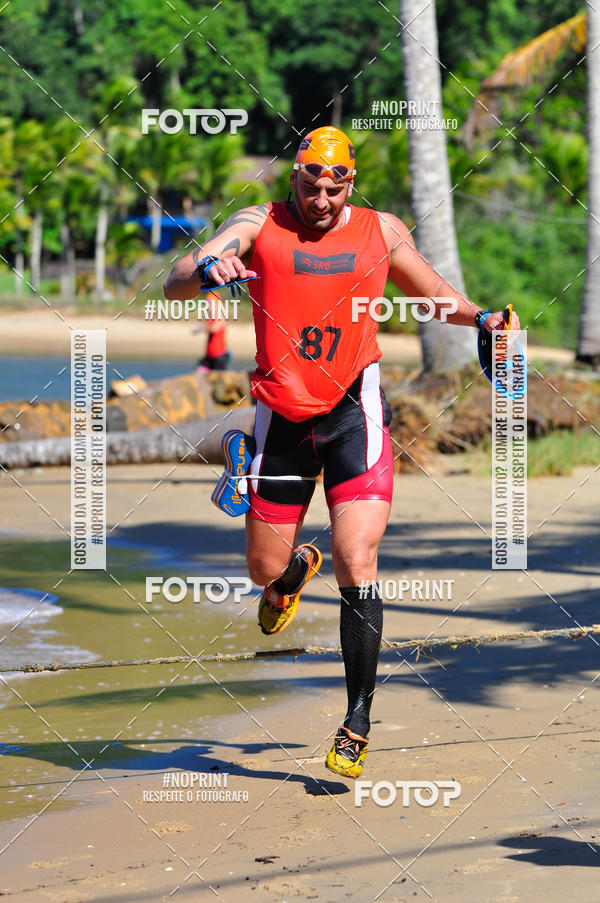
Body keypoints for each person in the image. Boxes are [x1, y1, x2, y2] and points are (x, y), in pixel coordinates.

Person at [164, 126, 520, 779]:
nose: (320, 199)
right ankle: (289, 577)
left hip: (356, 412)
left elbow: (433, 297)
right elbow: (175, 281)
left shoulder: (380, 231)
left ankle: (357, 719)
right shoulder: (258, 221)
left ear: (350, 184)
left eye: (334, 187)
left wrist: (484, 320)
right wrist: (207, 267)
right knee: (262, 572)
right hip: (283, 418)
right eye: (309, 184)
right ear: (293, 176)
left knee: (358, 558)